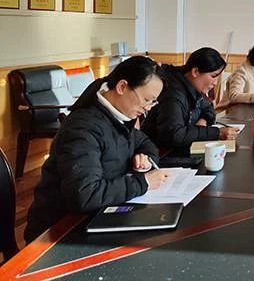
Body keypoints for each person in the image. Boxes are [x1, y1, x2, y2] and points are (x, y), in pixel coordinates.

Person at [24, 56, 169, 243]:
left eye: (152, 102)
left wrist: (145, 157)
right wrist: (143, 182)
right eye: (146, 100)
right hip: (60, 233)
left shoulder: (119, 117)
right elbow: (85, 194)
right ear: (122, 87)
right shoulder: (83, 127)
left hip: (97, 217)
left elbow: (145, 143)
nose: (147, 108)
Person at [141, 47, 239, 157]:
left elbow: (208, 108)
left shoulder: (192, 87)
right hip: (161, 156)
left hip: (180, 151)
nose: (215, 83)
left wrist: (203, 121)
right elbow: (174, 135)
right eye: (213, 76)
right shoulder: (173, 94)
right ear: (195, 72)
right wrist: (217, 133)